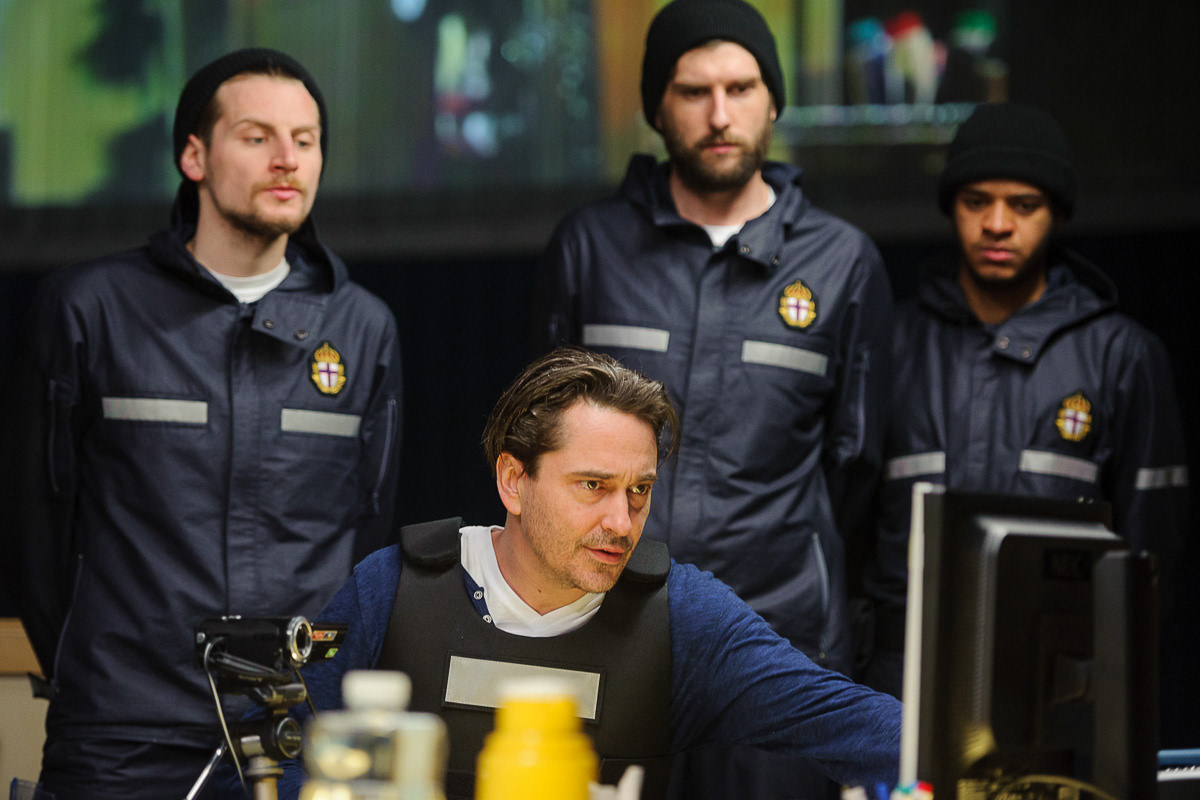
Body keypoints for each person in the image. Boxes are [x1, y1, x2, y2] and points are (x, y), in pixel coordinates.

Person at [229, 347, 901, 800]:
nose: (622, 521)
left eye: (639, 491)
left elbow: (857, 726)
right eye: (592, 486)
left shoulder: (685, 616)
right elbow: (267, 765)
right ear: (513, 481)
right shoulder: (393, 588)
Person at [1, 48, 403, 800]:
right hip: (123, 735)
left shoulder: (361, 327)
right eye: (257, 137)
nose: (287, 159)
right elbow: (35, 529)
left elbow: (368, 533)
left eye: (306, 140)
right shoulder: (90, 310)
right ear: (194, 156)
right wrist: (104, 678)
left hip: (295, 732)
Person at [539, 2, 893, 796]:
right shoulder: (589, 247)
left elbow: (856, 469)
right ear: (657, 109)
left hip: (779, 648)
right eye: (694, 91)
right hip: (603, 636)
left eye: (741, 88)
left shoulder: (842, 262)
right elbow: (541, 448)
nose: (720, 114)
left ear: (774, 102)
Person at [861, 101, 1189, 697]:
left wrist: (1098, 691)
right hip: (899, 688)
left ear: (1056, 212)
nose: (997, 223)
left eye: (1024, 204)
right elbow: (846, 530)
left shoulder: (1122, 356)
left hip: (1059, 692)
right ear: (951, 207)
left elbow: (1150, 560)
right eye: (976, 201)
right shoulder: (891, 345)